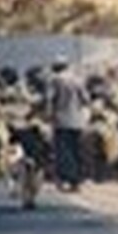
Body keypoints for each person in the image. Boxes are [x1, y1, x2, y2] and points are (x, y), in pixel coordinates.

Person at [47, 55, 88, 191]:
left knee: (63, 151)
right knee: (76, 150)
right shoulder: (77, 80)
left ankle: (65, 179)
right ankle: (76, 181)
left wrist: (48, 115)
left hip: (61, 120)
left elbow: (50, 99)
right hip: (77, 120)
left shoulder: (55, 80)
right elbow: (86, 99)